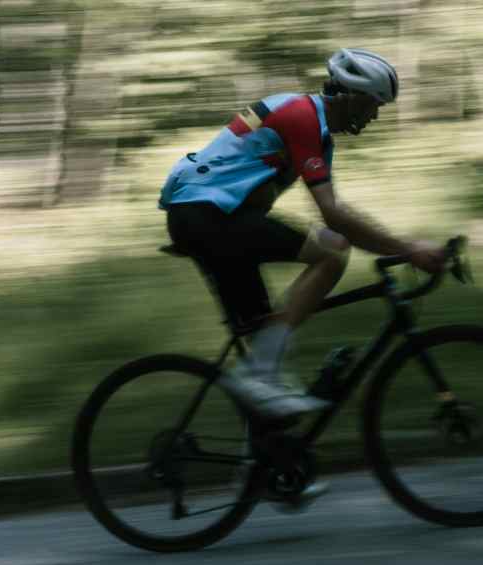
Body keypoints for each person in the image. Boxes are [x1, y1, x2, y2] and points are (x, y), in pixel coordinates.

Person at [158, 48, 445, 424]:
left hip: (209, 218)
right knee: (332, 252)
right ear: (351, 96)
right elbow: (333, 216)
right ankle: (259, 376)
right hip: (208, 218)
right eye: (373, 105)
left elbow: (331, 212)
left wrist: (397, 246)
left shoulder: (314, 130)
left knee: (266, 349)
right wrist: (408, 250)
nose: (375, 116)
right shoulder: (302, 117)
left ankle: (270, 451)